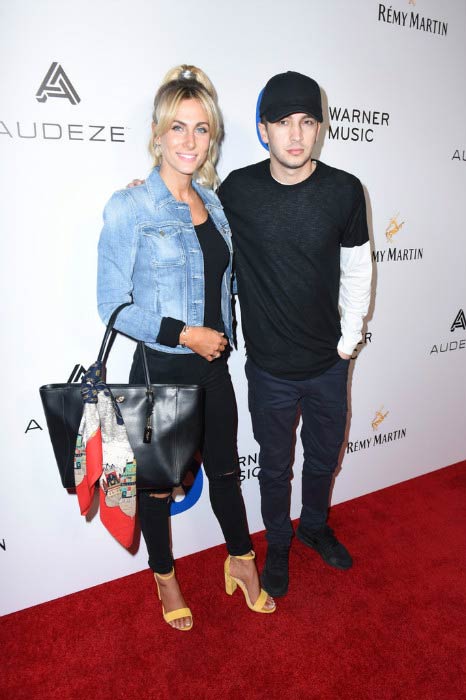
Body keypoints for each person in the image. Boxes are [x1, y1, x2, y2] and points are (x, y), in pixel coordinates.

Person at [97, 64, 275, 630]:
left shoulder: (215, 205)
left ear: (213, 136)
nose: (189, 141)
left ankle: (241, 562)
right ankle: (165, 576)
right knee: (154, 488)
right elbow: (113, 305)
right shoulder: (131, 207)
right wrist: (184, 334)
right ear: (156, 133)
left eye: (201, 129)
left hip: (213, 367)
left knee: (225, 472)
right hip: (160, 369)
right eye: (178, 127)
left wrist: (216, 340)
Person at [218, 71, 372, 597]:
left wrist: (349, 342)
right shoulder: (236, 190)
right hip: (269, 369)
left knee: (325, 457)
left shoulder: (345, 191)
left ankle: (313, 527)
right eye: (283, 122)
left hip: (329, 363)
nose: (296, 134)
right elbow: (189, 216)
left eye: (307, 121)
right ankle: (279, 542)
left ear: (320, 127)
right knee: (275, 466)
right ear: (264, 129)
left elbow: (356, 270)